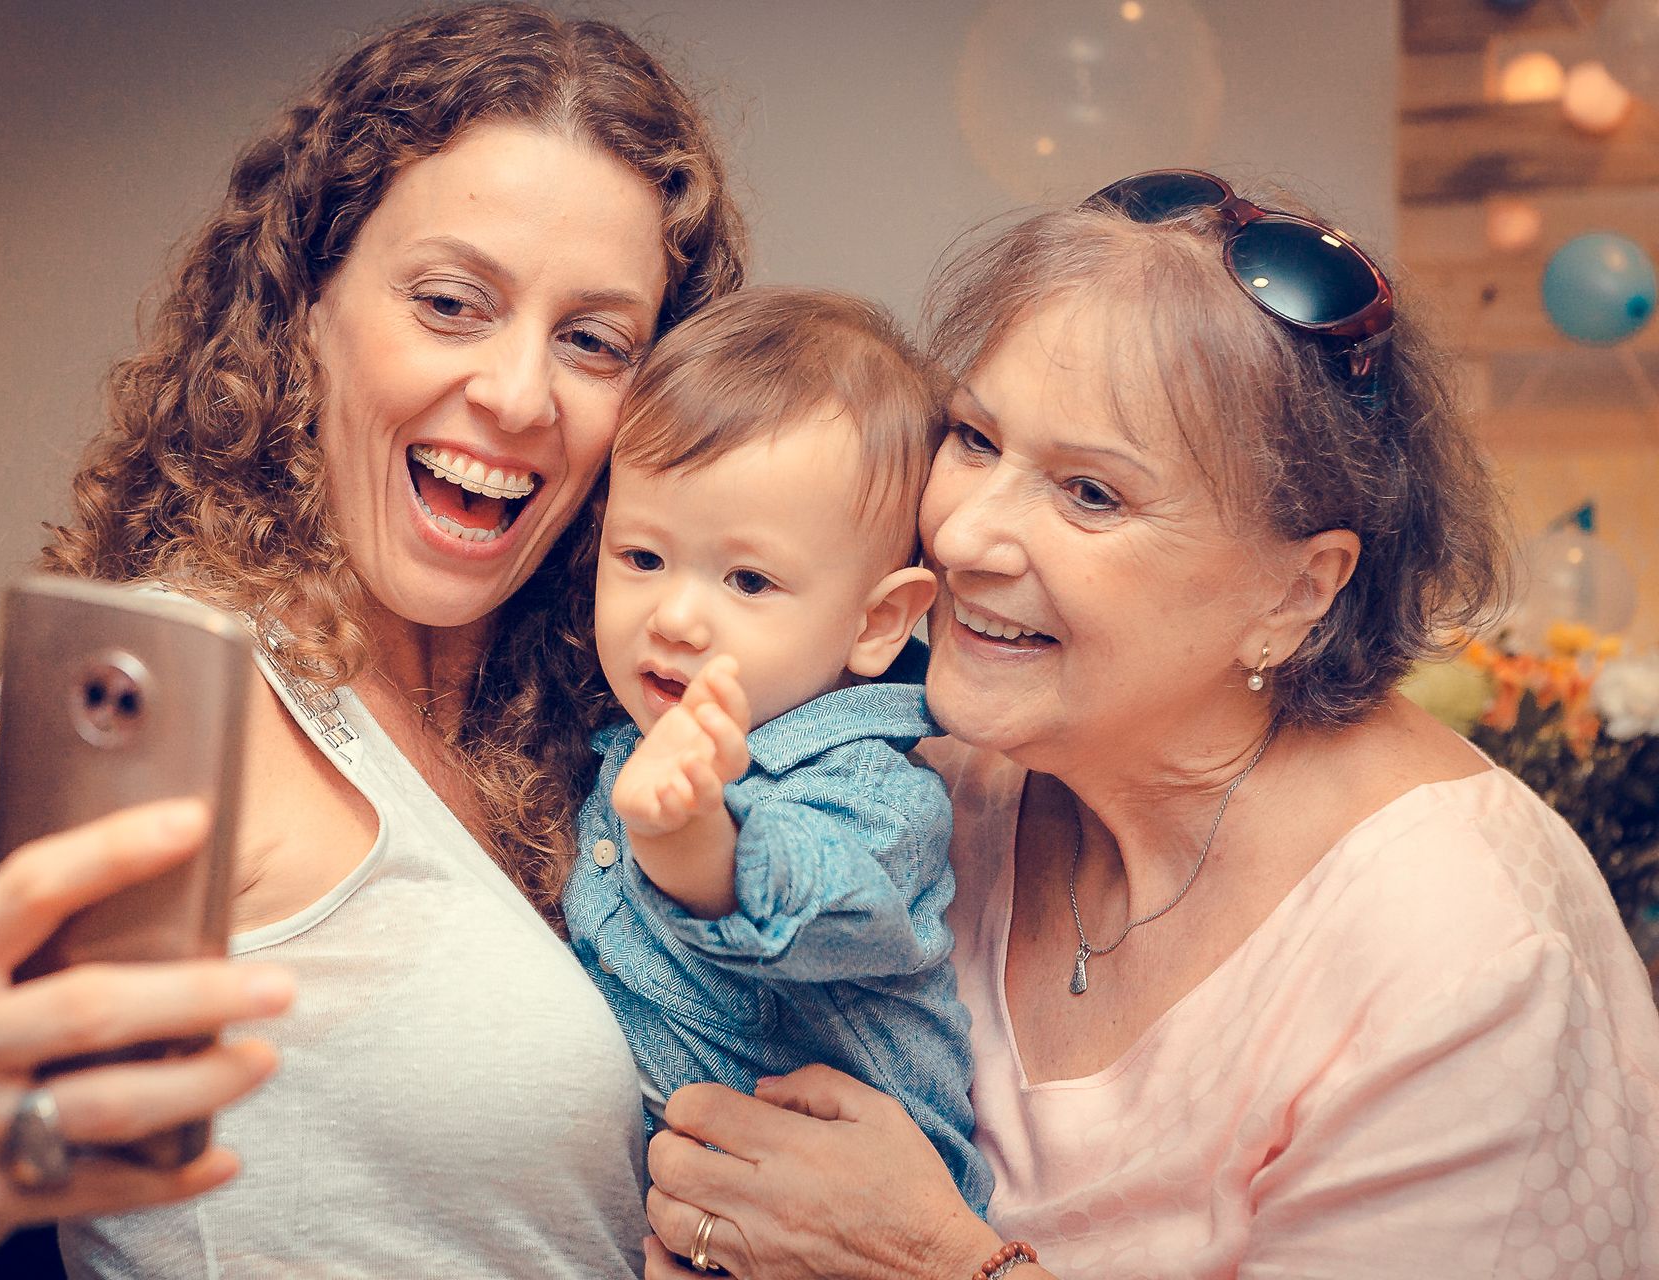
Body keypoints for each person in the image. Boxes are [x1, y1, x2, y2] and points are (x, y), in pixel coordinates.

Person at [0, 6, 744, 1278]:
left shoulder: (591, 744)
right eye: (450, 303)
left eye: (593, 341)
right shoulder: (189, 699)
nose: (517, 393)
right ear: (306, 309)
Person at [638, 172, 1659, 1278]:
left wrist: (929, 1263)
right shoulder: (937, 765)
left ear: (1297, 591)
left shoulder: (1468, 957)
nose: (964, 536)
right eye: (975, 438)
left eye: (1091, 493)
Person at [565, 287, 992, 1217]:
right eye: (641, 558)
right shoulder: (622, 737)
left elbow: (834, 898)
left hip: (852, 1223)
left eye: (749, 580)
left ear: (876, 622)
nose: (675, 617)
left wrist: (698, 845)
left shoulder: (876, 788)